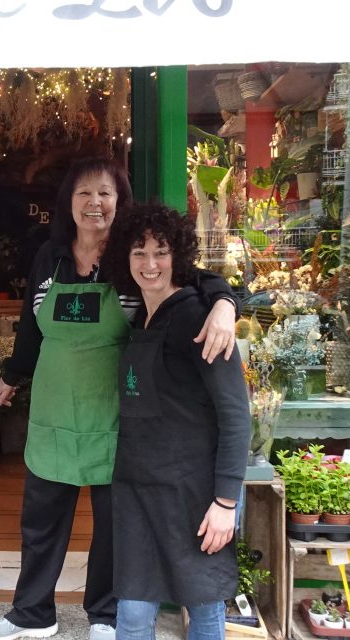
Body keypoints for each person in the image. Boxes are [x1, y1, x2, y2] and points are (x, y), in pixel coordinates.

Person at [0, 158, 239, 640]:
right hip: (54, 409)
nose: (94, 203)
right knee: (41, 521)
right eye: (83, 193)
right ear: (68, 202)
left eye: (105, 193)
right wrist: (12, 375)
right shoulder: (50, 256)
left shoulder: (131, 254)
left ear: (121, 201)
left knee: (113, 526)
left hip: (115, 413)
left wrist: (225, 304)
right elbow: (31, 326)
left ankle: (104, 613)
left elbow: (195, 278)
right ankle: (32, 613)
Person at [102, 202, 252, 640]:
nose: (150, 264)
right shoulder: (141, 314)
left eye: (161, 252)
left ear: (178, 255)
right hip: (136, 490)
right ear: (125, 259)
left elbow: (236, 415)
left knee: (203, 607)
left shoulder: (198, 319)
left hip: (193, 495)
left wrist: (226, 503)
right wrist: (224, 295)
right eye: (139, 252)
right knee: (132, 614)